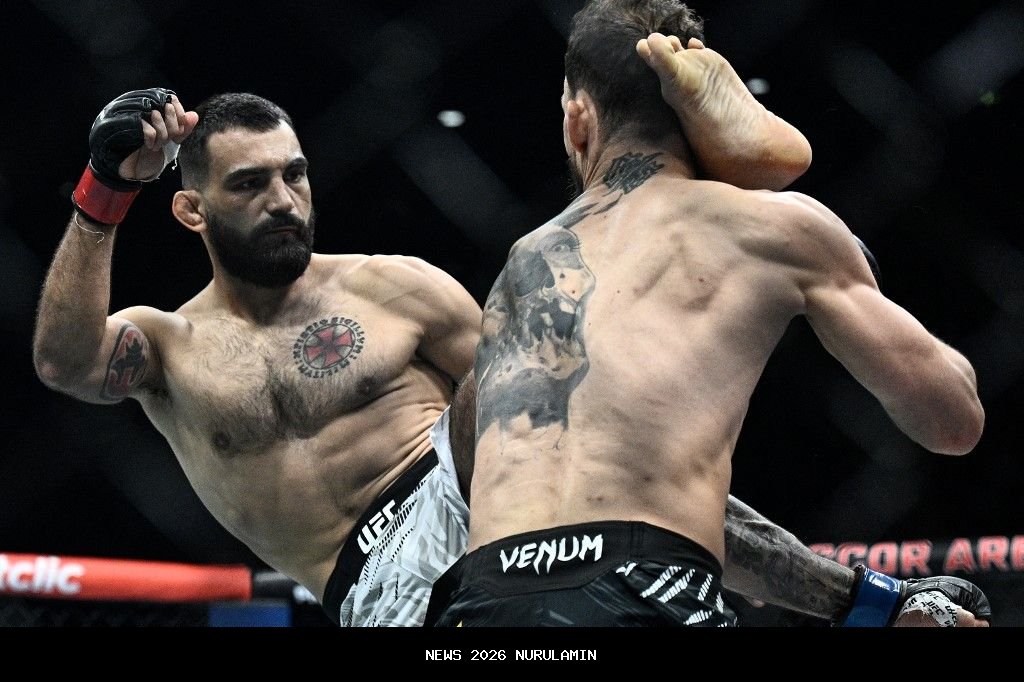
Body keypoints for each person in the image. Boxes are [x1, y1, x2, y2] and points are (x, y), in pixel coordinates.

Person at [32, 55, 986, 628]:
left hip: (482, 491)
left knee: (563, 373)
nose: (284, 200)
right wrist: (106, 190)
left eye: (296, 174)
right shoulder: (166, 343)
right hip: (374, 585)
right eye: (250, 185)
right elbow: (64, 364)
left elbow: (568, 420)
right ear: (191, 210)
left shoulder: (394, 287)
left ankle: (866, 601)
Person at [430, 0, 987, 627]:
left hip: (485, 603)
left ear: (576, 120)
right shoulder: (773, 228)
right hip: (647, 583)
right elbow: (952, 419)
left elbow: (515, 485)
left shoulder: (523, 264)